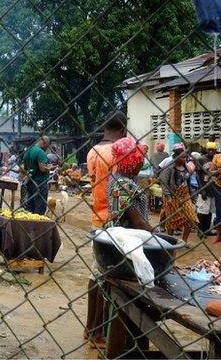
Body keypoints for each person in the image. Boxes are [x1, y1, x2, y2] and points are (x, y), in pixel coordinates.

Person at [84, 110, 127, 350]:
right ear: (122, 130)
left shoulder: (93, 151)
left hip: (96, 216)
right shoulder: (116, 152)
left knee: (96, 273)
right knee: (106, 276)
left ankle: (92, 328)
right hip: (112, 218)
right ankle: (97, 332)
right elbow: (118, 188)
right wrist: (120, 214)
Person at [157, 147, 198, 245]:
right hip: (172, 196)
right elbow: (164, 182)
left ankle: (184, 241)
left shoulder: (186, 167)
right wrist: (168, 197)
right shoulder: (169, 168)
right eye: (182, 157)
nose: (184, 159)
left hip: (185, 195)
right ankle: (171, 241)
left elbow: (188, 182)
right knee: (171, 220)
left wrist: (192, 196)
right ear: (176, 157)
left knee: (191, 218)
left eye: (185, 157)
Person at [20, 136, 52, 215]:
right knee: (40, 207)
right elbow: (42, 169)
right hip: (40, 183)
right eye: (47, 146)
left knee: (30, 206)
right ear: (44, 143)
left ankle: (28, 224)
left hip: (30, 181)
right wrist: (50, 167)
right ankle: (38, 225)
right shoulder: (40, 152)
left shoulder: (28, 150)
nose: (46, 148)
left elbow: (23, 168)